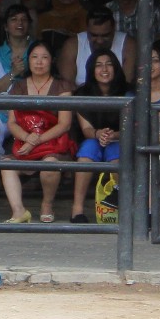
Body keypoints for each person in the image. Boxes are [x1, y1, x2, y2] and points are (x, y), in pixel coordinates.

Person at [0, 41, 74, 223]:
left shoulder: (62, 87)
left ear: (52, 61)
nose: (39, 62)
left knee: (49, 164)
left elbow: (64, 124)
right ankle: (18, 211)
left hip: (53, 143)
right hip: (24, 142)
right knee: (7, 166)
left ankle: (47, 204)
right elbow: (12, 122)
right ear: (28, 61)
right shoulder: (18, 87)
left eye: (44, 57)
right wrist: (26, 138)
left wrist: (35, 140)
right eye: (34, 57)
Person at [69, 50, 126, 224]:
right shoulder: (82, 93)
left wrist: (113, 135)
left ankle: (117, 209)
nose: (104, 69)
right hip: (94, 137)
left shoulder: (128, 91)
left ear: (116, 68)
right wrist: (99, 134)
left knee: (117, 155)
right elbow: (86, 128)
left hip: (120, 138)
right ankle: (77, 209)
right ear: (91, 70)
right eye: (99, 65)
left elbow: (132, 126)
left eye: (109, 64)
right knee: (87, 151)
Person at [0, 4, 31, 88]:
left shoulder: (38, 50)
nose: (20, 22)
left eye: (24, 19)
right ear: (6, 27)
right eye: (14, 19)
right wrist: (13, 73)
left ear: (29, 25)